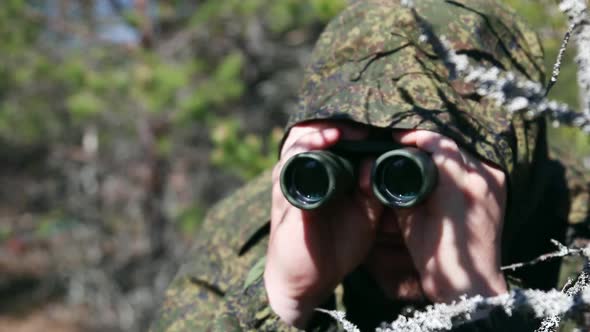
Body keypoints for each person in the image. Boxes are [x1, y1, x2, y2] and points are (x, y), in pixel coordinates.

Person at [151, 0, 590, 331]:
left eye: (410, 176)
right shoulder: (248, 233)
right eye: (343, 168)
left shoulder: (578, 235)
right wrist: (282, 303)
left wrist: (479, 303)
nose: (384, 214)